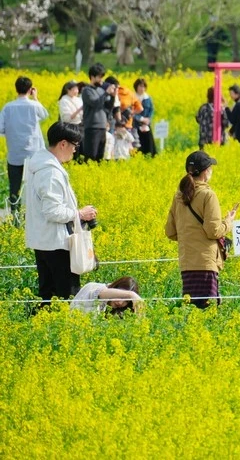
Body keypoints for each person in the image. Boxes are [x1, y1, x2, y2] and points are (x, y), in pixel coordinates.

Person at [25, 122, 97, 302]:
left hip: (44, 241)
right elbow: (52, 211)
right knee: (67, 296)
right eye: (75, 146)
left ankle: (45, 327)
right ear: (63, 144)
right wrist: (80, 214)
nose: (75, 150)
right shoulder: (50, 172)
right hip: (56, 243)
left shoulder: (39, 165)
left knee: (48, 296)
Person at [165, 151, 236, 309]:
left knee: (191, 311)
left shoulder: (179, 196)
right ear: (206, 172)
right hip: (205, 263)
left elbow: (170, 231)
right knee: (208, 311)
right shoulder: (207, 195)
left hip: (187, 264)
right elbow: (213, 231)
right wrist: (228, 222)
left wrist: (189, 236)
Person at [0, 76, 49, 216]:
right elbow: (44, 115)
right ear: (30, 89)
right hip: (33, 153)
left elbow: (1, 128)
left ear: (16, 89)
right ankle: (30, 216)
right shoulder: (34, 106)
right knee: (32, 186)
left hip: (14, 154)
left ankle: (14, 214)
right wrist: (36, 97)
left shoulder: (8, 107)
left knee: (14, 186)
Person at [82, 64, 116, 162]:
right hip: (92, 127)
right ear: (92, 77)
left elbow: (108, 108)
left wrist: (113, 96)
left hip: (102, 127)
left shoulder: (101, 90)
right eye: (99, 77)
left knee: (100, 157)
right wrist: (106, 93)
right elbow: (95, 103)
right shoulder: (87, 91)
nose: (102, 80)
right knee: (91, 155)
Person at [70, 276, 142, 314]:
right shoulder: (96, 288)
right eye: (120, 296)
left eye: (126, 301)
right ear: (115, 288)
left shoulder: (116, 310)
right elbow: (100, 293)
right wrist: (131, 294)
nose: (120, 302)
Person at [133, 78, 157, 157]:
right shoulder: (133, 97)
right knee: (138, 144)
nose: (142, 88)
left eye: (144, 86)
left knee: (149, 143)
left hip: (146, 124)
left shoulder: (148, 98)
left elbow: (151, 109)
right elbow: (132, 111)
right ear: (136, 87)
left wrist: (148, 119)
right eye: (140, 86)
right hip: (136, 125)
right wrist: (141, 119)